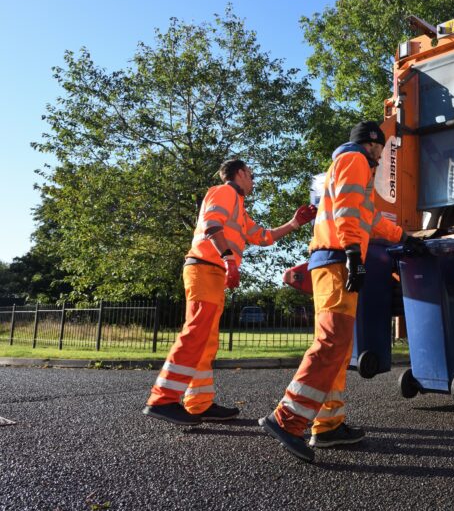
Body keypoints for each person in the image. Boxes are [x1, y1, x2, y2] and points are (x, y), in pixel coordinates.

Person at [259, 121, 425, 463]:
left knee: (338, 344)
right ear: (374, 144)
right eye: (381, 147)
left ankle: (328, 424)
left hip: (331, 259)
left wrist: (403, 237)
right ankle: (287, 419)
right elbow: (348, 210)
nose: (382, 154)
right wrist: (353, 254)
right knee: (332, 341)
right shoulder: (356, 160)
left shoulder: (348, 164)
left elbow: (368, 216)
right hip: (337, 259)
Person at [143, 159, 317, 426]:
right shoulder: (224, 192)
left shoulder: (238, 205)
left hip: (212, 272)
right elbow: (212, 226)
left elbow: (262, 236)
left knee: (206, 340)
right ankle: (162, 399)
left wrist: (294, 222)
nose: (253, 180)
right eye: (251, 175)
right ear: (240, 173)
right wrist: (229, 260)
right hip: (205, 268)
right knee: (196, 331)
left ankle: (198, 404)